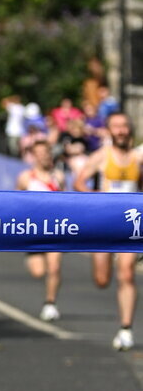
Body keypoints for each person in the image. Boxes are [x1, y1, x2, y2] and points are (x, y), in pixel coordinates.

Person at [74, 112, 143, 351]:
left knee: (126, 274)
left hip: (130, 227)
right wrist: (98, 199)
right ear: (109, 131)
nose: (122, 131)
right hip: (105, 224)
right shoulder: (101, 156)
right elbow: (79, 182)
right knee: (102, 280)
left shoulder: (138, 158)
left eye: (125, 126)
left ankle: (126, 329)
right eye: (117, 127)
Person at [16, 140, 66, 321]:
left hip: (54, 230)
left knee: (54, 267)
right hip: (33, 232)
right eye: (40, 153)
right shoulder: (25, 177)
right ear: (34, 156)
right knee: (38, 272)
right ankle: (31, 258)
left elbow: (67, 202)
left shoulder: (58, 176)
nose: (44, 155)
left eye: (47, 152)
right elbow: (15, 202)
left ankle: (50, 304)